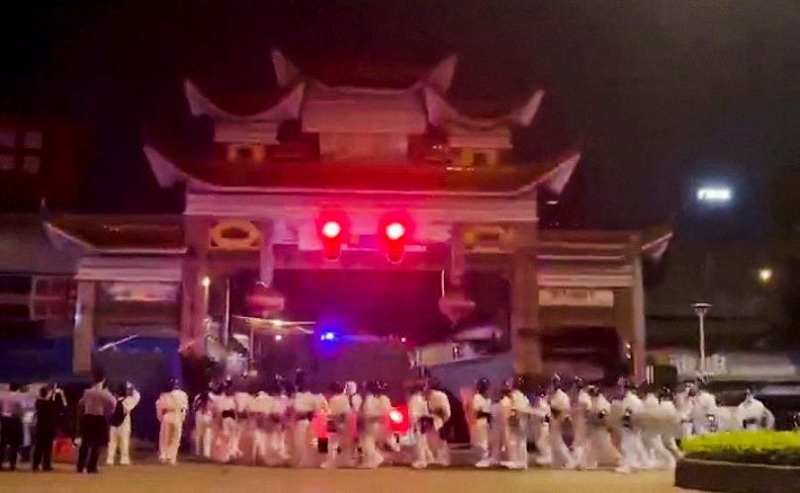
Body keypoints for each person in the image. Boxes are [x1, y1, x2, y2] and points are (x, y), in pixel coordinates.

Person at [76, 371, 117, 474]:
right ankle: (91, 466)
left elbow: (81, 403)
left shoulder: (87, 392)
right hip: (99, 419)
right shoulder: (105, 393)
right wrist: (107, 412)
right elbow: (113, 405)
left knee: (85, 443)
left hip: (87, 417)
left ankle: (80, 466)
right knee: (96, 444)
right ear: (103, 379)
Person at [291, 370, 325, 468]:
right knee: (300, 443)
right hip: (302, 421)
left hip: (309, 421)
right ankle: (304, 461)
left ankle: (312, 462)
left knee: (307, 442)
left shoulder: (314, 396)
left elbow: (318, 410)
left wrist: (309, 414)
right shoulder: (298, 396)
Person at [32, 385, 66, 472]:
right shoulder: (50, 404)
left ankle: (35, 464)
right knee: (47, 447)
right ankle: (46, 465)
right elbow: (61, 407)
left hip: (40, 427)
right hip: (49, 427)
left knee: (38, 446)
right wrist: (56, 395)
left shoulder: (38, 403)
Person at [106, 382, 141, 466]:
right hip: (124, 423)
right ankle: (124, 459)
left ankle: (110, 459)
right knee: (124, 441)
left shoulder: (112, 399)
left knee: (112, 442)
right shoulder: (128, 401)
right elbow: (137, 396)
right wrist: (133, 388)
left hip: (113, 423)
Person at [155, 378, 189, 465]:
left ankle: (163, 456)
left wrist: (160, 418)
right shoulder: (182, 394)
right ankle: (171, 457)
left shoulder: (163, 395)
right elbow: (184, 408)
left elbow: (159, 407)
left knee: (164, 437)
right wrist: (183, 418)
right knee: (175, 438)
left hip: (167, 415)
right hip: (177, 415)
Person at [548, 374, 577, 469]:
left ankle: (569, 461)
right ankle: (557, 462)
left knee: (558, 442)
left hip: (560, 420)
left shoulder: (562, 396)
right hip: (553, 419)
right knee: (554, 442)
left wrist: (552, 407)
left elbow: (565, 409)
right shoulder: (552, 395)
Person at [322, 381, 351, 469]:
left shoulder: (334, 399)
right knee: (343, 444)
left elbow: (333, 413)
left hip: (336, 423)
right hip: (346, 423)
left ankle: (331, 463)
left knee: (331, 444)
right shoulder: (345, 398)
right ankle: (344, 461)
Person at [407, 381, 435, 469]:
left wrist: (414, 423)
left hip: (418, 422)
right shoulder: (421, 398)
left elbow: (413, 413)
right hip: (422, 421)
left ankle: (421, 460)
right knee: (423, 442)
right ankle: (430, 459)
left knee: (419, 443)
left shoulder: (415, 399)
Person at [425, 380, 452, 466]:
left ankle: (440, 460)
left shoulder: (434, 395)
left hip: (436, 420)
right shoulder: (440, 395)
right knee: (437, 441)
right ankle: (440, 460)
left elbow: (443, 410)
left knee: (437, 441)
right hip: (437, 420)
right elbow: (446, 412)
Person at [0, 383, 25, 471]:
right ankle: (12, 464)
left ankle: (0, 463)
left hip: (4, 420)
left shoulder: (3, 396)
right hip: (14, 420)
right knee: (14, 443)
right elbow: (21, 411)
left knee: (2, 443)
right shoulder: (19, 397)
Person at [472, 377, 494, 468]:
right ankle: (483, 459)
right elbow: (477, 412)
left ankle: (489, 459)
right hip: (481, 421)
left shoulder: (488, 399)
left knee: (489, 441)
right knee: (482, 441)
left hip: (489, 423)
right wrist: (489, 414)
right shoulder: (477, 397)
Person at [571, 377, 592, 469]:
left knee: (580, 442)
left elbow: (585, 407)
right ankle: (580, 462)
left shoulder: (583, 395)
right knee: (580, 442)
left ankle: (580, 463)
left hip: (582, 420)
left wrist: (572, 410)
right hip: (580, 420)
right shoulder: (581, 395)